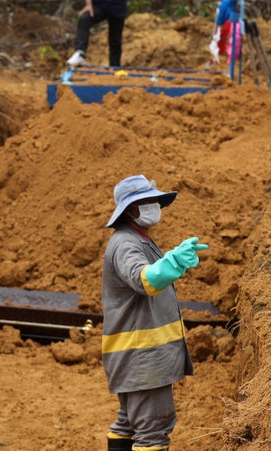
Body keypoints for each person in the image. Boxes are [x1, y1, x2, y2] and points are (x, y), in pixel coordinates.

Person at [101, 175, 208, 451]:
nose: (153, 206)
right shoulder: (126, 243)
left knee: (128, 422)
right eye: (145, 202)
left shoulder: (138, 239)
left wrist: (173, 262)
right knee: (153, 430)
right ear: (129, 210)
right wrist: (172, 261)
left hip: (137, 354)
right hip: (142, 355)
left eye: (154, 200)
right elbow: (143, 280)